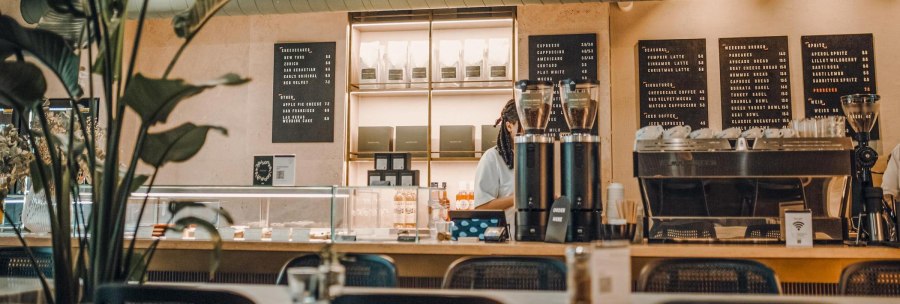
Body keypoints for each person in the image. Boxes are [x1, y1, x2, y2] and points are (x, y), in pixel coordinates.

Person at [474, 99, 519, 210]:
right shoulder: (492, 158)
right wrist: (519, 198)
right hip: (506, 227)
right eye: (524, 125)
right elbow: (481, 207)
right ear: (509, 126)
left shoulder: (540, 156)